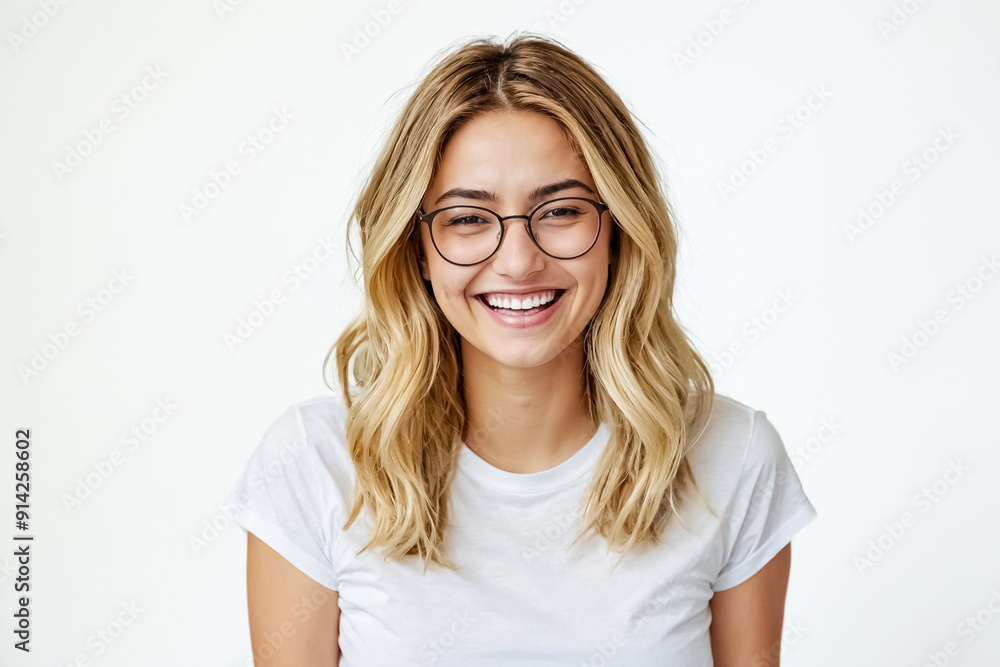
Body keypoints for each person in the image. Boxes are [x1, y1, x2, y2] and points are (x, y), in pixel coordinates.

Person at [223, 32, 817, 666]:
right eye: (468, 218)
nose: (518, 261)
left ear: (617, 229)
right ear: (416, 249)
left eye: (560, 211)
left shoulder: (734, 456)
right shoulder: (314, 465)